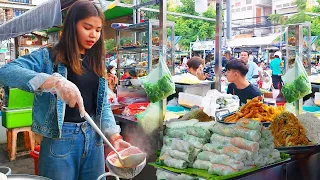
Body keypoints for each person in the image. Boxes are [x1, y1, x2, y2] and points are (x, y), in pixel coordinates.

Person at [0, 1, 131, 179]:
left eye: (98, 30)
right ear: (72, 26)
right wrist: (53, 82)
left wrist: (115, 137)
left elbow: (102, 107)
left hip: (95, 140)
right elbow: (6, 72)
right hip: (60, 139)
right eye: (87, 27)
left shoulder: (96, 61)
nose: (93, 35)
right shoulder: (49, 56)